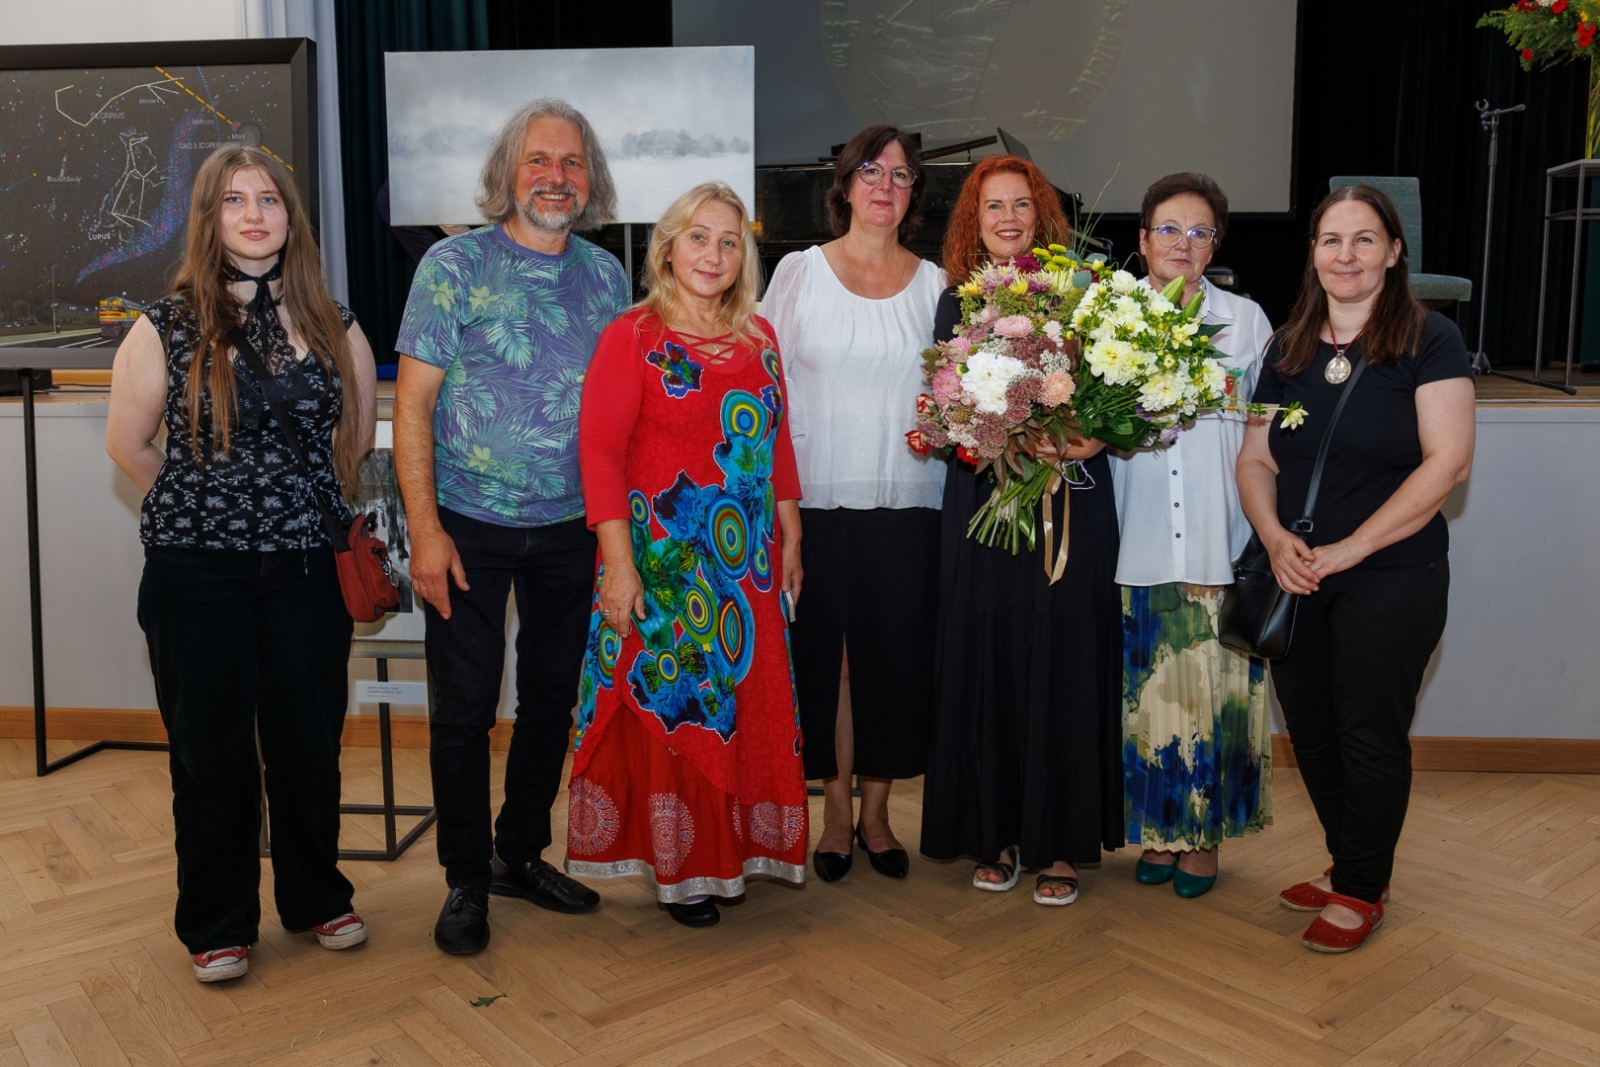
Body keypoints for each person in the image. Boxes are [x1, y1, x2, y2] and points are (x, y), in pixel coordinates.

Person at [105, 145, 378, 982]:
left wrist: (282, 513)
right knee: (210, 752)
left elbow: (354, 441)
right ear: (210, 220)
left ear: (291, 216)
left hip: (305, 573)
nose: (255, 214)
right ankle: (218, 922)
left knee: (306, 744)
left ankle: (315, 896)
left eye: (269, 199)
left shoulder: (337, 321)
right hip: (197, 576)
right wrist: (212, 513)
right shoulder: (165, 324)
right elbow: (130, 446)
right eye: (234, 201)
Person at [393, 98, 630, 956]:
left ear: (590, 179)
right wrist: (425, 530)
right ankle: (464, 879)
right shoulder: (452, 268)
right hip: (468, 526)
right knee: (461, 711)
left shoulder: (606, 277)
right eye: (539, 161)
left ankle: (518, 851)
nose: (556, 177)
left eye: (571, 163)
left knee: (552, 702)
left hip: (573, 528)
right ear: (508, 173)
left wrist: (616, 544)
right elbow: (412, 405)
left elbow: (620, 420)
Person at [1237, 184, 1475, 952]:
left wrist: (1351, 548)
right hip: (1296, 569)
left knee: (1369, 733)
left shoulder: (1430, 339)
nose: (1346, 255)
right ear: (1312, 253)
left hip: (1390, 572)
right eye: (1331, 240)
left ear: (1394, 252)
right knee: (1310, 732)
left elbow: (1448, 462)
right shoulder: (1285, 346)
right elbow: (1254, 457)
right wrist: (1273, 536)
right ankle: (1352, 867)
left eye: (1364, 239)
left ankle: (1362, 889)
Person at [565, 182, 806, 927]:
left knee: (745, 708)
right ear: (668, 247)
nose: (714, 253)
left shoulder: (760, 337)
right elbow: (599, 453)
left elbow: (778, 444)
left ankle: (735, 852)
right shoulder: (632, 335)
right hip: (663, 564)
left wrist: (792, 532)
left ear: (746, 256)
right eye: (698, 237)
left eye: (729, 241)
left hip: (749, 569)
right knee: (683, 713)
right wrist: (621, 564)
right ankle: (685, 871)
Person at [918, 155, 1124, 905]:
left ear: (1042, 216)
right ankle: (997, 832)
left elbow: (1111, 387)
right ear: (973, 222)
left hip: (1069, 501)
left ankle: (1061, 845)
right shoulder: (954, 306)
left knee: (1064, 659)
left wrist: (1089, 436)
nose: (1007, 218)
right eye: (992, 207)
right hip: (986, 506)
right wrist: (999, 433)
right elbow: (947, 410)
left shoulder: (1084, 293)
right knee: (990, 658)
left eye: (1021, 205)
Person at [763, 125, 946, 882]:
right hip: (816, 502)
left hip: (911, 502)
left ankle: (878, 815)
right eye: (871, 170)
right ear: (845, 184)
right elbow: (762, 389)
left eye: (901, 176)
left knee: (894, 663)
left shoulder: (938, 285)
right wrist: (781, 506)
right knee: (827, 665)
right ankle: (834, 815)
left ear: (912, 198)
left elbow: (953, 395)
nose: (885, 184)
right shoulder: (800, 272)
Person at [1111, 173, 1276, 898]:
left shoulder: (1247, 322)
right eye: (1168, 229)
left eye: (1200, 231)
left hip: (1219, 535)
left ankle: (1204, 838)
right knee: (1146, 696)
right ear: (1143, 240)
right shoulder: (1106, 320)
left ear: (1216, 245)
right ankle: (1158, 827)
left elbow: (1264, 437)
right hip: (1136, 537)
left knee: (1215, 694)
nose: (1183, 242)